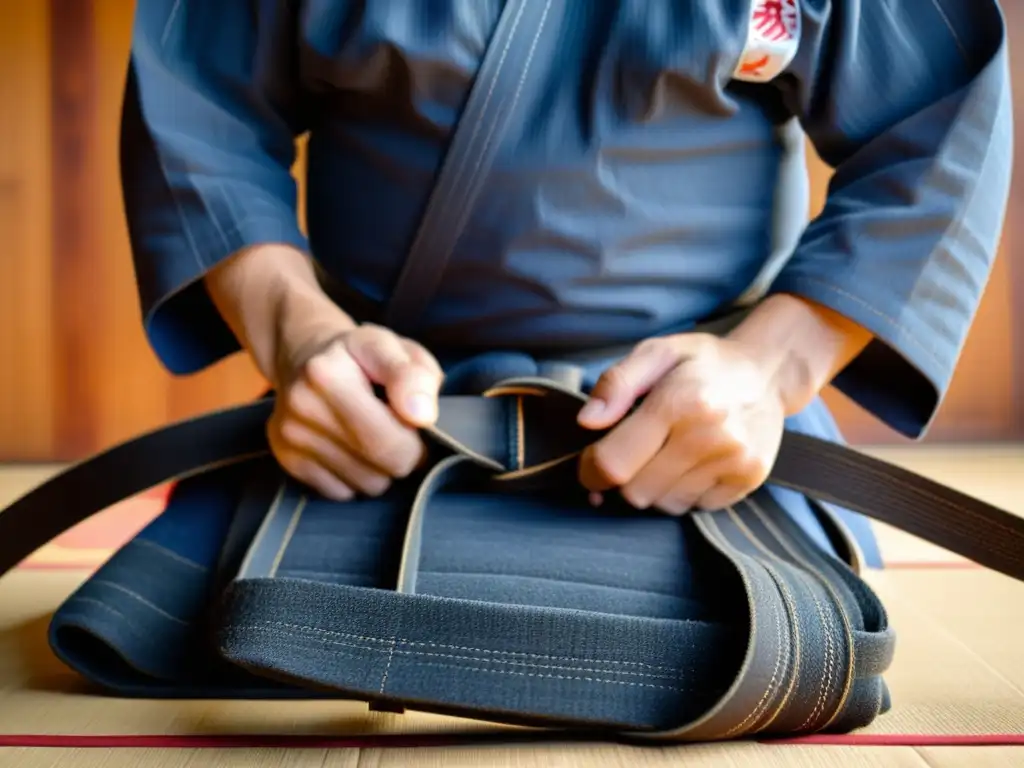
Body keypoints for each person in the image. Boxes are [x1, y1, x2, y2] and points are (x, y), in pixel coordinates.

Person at [119, 0, 1012, 568]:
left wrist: (765, 374)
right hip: (375, 420)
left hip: (692, 430)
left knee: (786, 655)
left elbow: (936, 124)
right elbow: (200, 110)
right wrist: (301, 341)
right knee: (182, 625)